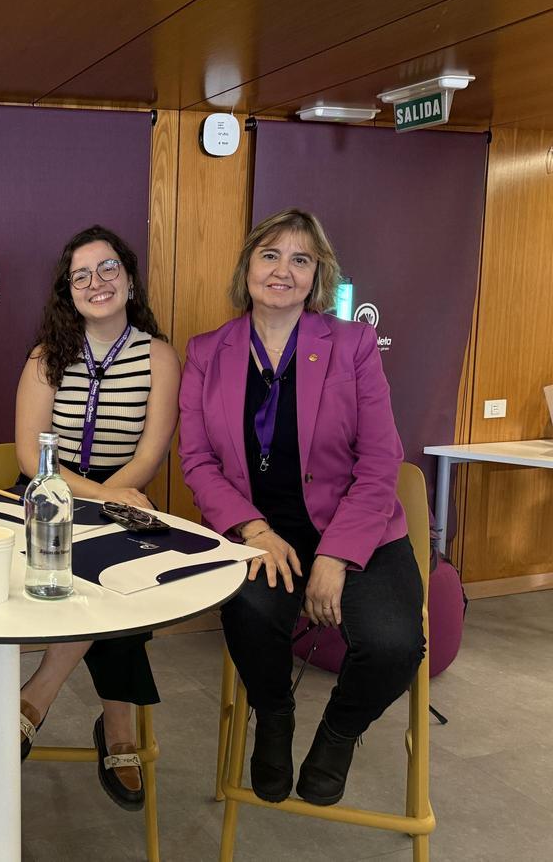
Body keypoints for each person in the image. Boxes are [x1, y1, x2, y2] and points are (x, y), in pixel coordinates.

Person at [178, 209, 424, 806]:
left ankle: (338, 734)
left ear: (317, 276)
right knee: (248, 612)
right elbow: (198, 461)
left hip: (356, 527)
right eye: (270, 255)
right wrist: (252, 529)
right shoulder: (208, 351)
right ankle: (274, 715)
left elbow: (380, 461)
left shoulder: (352, 344)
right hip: (262, 530)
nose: (282, 270)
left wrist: (336, 557)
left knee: (394, 645)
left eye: (300, 259)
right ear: (247, 267)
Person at [9, 225, 179, 811]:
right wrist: (95, 500)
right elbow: (31, 458)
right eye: (80, 275)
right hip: (48, 497)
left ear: (129, 278)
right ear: (68, 291)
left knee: (117, 569)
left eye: (107, 268)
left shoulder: (158, 356)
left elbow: (150, 456)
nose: (96, 282)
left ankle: (37, 694)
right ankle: (118, 725)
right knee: (102, 566)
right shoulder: (46, 357)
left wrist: (111, 502)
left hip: (123, 494)